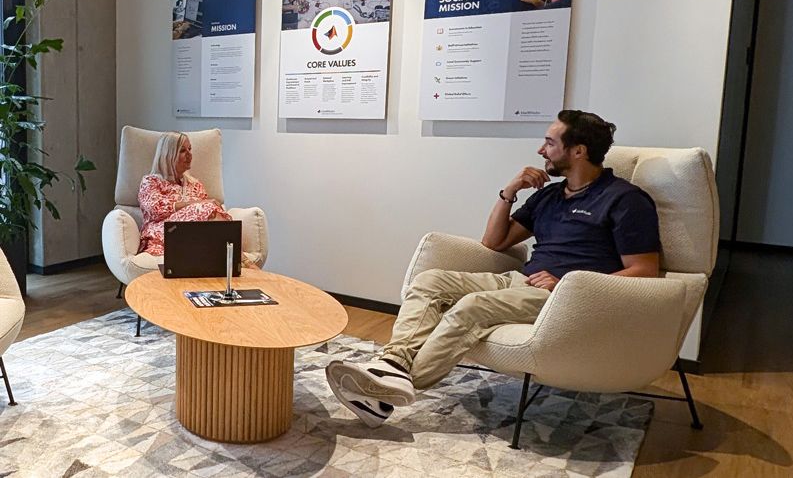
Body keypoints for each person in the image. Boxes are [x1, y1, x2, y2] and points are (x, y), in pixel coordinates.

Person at [325, 110, 661, 427]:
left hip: (563, 298)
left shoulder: (624, 200)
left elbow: (645, 269)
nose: (540, 150)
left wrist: (567, 284)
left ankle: (385, 390)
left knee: (472, 307)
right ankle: (393, 364)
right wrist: (509, 192)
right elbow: (494, 242)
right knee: (430, 281)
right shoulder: (550, 196)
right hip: (519, 281)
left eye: (550, 143)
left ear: (578, 151)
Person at [138, 132, 247, 262]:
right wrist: (194, 204)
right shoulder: (151, 181)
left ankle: (234, 258)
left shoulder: (194, 184)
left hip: (195, 237)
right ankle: (241, 260)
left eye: (190, 149)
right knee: (207, 208)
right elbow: (155, 209)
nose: (189, 154)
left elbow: (209, 214)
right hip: (165, 233)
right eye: (182, 150)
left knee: (212, 212)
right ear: (168, 155)